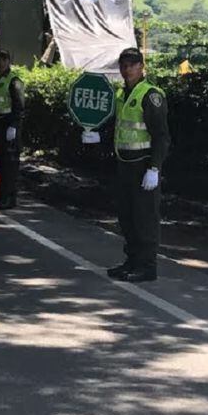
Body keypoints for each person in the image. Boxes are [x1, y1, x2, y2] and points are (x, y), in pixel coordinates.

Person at [82, 47, 170, 282]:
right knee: (127, 217)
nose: (127, 69)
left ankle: (147, 266)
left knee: (145, 218)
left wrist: (154, 168)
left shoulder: (150, 95)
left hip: (143, 165)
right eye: (123, 65)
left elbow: (161, 136)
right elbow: (118, 128)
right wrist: (97, 137)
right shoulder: (122, 95)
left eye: (132, 64)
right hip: (124, 164)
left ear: (142, 66)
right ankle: (132, 261)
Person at [0, 50, 25, 209]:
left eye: (3, 60)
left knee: (9, 164)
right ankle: (1, 195)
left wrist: (14, 126)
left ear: (9, 61)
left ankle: (10, 198)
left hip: (8, 125)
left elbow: (19, 106)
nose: (0, 63)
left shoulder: (14, 80)